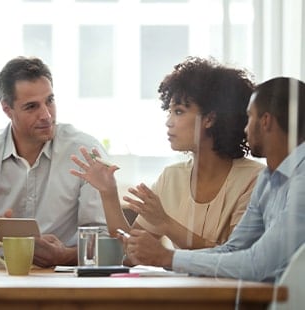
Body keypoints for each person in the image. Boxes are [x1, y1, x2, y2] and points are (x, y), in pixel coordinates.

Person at [120, 77, 305, 282]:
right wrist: (165, 258)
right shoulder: (268, 180)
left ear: (266, 121)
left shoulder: (300, 179)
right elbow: (232, 251)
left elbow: (256, 264)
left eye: (249, 117)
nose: (245, 128)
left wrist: (168, 257)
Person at [71, 57, 264, 249]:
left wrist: (166, 224)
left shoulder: (254, 179)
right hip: (177, 281)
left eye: (179, 112)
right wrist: (109, 193)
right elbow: (130, 251)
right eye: (169, 112)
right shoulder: (171, 177)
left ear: (209, 119)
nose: (169, 122)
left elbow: (235, 257)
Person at [0, 56, 108, 267]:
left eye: (50, 101)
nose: (46, 115)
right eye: (31, 107)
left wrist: (64, 255)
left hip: (65, 282)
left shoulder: (86, 152)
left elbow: (106, 239)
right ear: (7, 109)